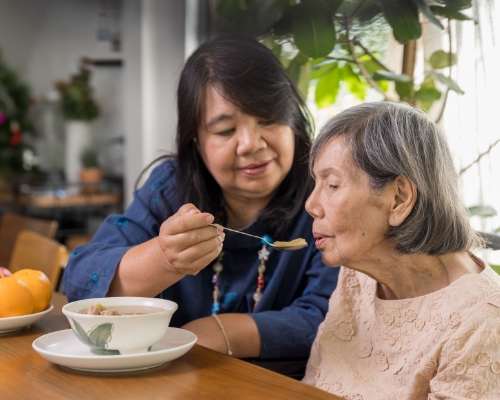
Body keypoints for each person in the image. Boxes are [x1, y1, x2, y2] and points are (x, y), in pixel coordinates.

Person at [63, 36, 339, 361]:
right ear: (195, 140)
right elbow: (80, 281)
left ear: (293, 120)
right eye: (225, 131)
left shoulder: (327, 197)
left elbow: (330, 315)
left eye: (268, 119)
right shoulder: (170, 188)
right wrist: (164, 259)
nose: (250, 143)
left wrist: (217, 333)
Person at [303, 102, 500, 399]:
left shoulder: (481, 322)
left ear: (398, 199)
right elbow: (310, 387)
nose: (311, 205)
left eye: (332, 185)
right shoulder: (358, 276)